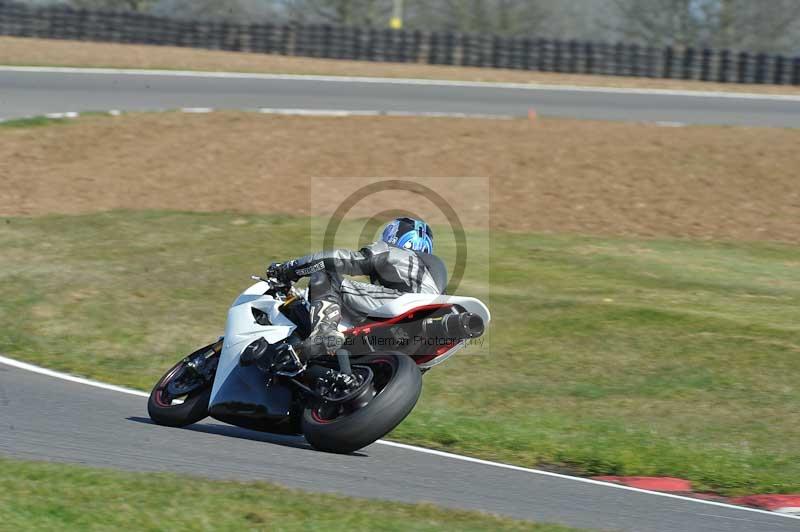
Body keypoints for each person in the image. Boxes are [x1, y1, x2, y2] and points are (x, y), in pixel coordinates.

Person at [268, 217, 447, 359]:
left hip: (406, 304)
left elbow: (340, 260)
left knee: (326, 273)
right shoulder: (433, 271)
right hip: (424, 327)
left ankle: (323, 332)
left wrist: (289, 269)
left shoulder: (392, 251)